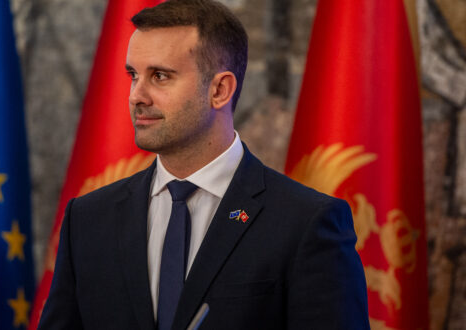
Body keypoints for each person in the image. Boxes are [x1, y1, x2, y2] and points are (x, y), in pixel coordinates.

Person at [38, 0, 369, 329]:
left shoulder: (304, 223)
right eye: (133, 75)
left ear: (220, 90)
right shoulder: (88, 219)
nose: (137, 95)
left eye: (160, 76)